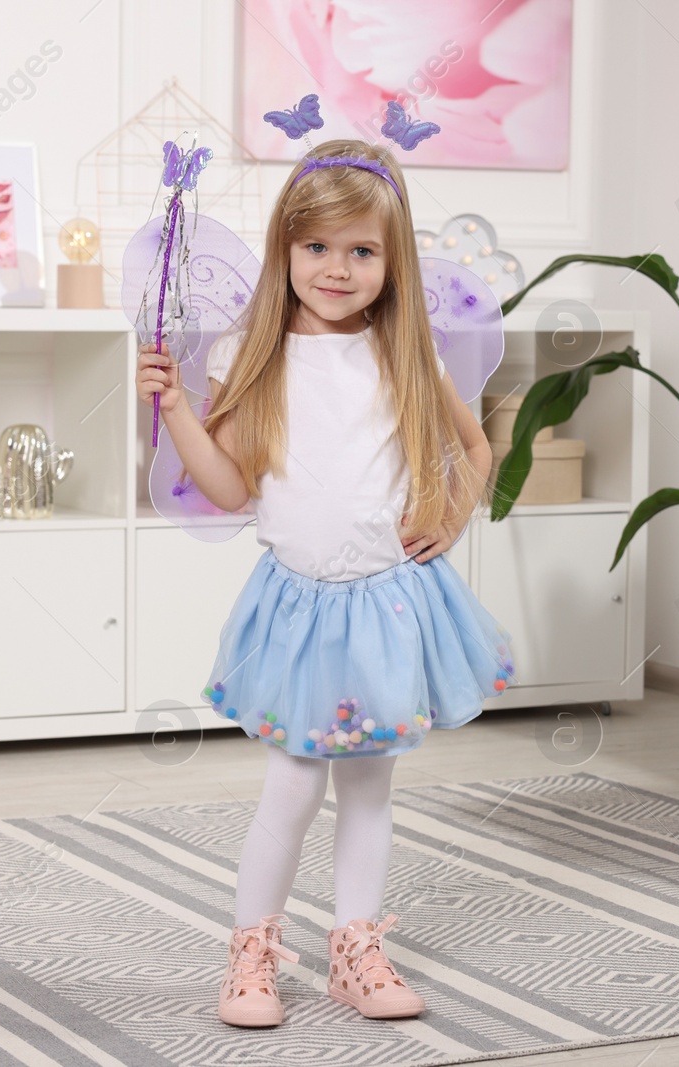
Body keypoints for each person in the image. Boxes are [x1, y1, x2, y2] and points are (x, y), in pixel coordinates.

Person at [134, 138, 516, 1029]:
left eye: (362, 251)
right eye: (317, 247)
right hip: (300, 606)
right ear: (286, 249)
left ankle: (356, 950)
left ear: (393, 259)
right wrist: (177, 410)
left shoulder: (404, 351)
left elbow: (478, 446)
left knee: (370, 784)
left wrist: (449, 519)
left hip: (385, 599)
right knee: (296, 784)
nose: (337, 268)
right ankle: (251, 953)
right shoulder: (252, 354)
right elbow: (228, 489)